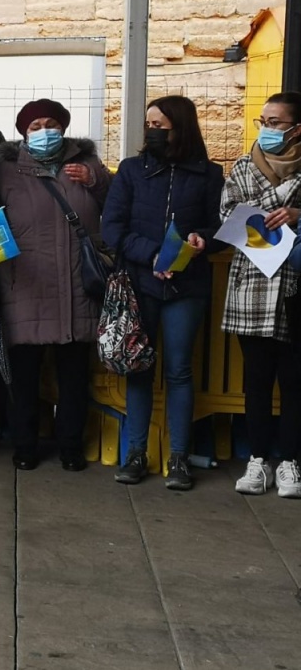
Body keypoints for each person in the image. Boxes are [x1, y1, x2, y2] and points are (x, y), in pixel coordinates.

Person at [102, 96, 223, 491]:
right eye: (149, 124)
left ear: (180, 127)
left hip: (186, 287)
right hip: (141, 284)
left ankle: (179, 458)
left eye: (160, 124)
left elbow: (219, 228)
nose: (152, 131)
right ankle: (134, 454)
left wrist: (201, 240)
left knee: (179, 370)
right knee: (140, 368)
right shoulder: (132, 171)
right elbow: (113, 229)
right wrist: (152, 254)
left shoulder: (208, 174)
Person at [0, 99, 112, 472]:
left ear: (64, 126)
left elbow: (119, 206)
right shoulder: (6, 169)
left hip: (78, 285)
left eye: (51, 124)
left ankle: (71, 446)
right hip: (25, 285)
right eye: (35, 126)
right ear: (24, 133)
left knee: (75, 376)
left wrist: (97, 182)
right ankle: (25, 445)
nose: (45, 131)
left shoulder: (89, 166)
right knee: (25, 376)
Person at [220, 92, 301, 498]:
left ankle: (289, 461)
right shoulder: (241, 166)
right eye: (263, 121)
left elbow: (244, 210)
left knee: (293, 380)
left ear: (296, 129)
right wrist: (279, 208)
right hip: (252, 284)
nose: (268, 129)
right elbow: (227, 216)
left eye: (277, 122)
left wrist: (297, 214)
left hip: (293, 287)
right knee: (256, 379)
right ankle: (257, 461)